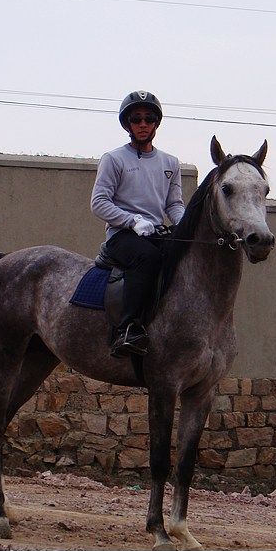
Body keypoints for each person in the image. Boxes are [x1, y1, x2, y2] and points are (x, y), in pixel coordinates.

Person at [90, 91, 185, 358]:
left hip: (154, 231)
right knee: (148, 258)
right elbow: (99, 202)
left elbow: (174, 204)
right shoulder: (114, 159)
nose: (143, 124)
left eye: (149, 118)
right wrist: (132, 221)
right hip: (123, 235)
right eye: (136, 119)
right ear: (127, 124)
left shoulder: (170, 163)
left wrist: (183, 225)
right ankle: (128, 329)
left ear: (156, 123)